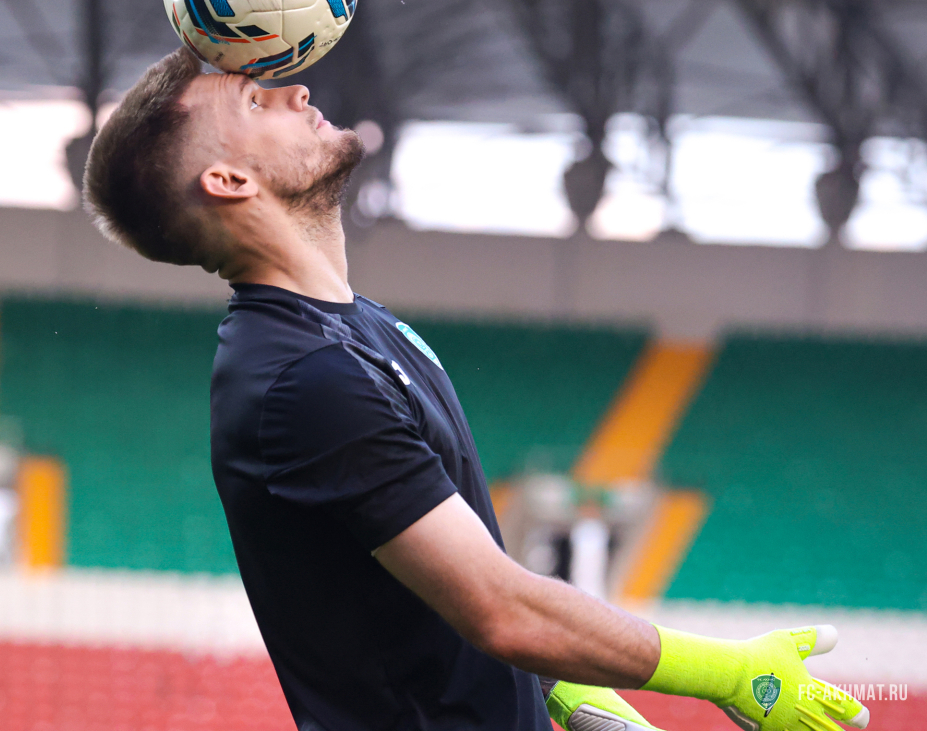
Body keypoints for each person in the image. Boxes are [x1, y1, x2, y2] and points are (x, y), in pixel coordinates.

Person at [82, 46, 870, 731]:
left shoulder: (354, 331)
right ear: (227, 179)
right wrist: (733, 674)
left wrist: (560, 690)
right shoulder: (306, 380)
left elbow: (429, 577)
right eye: (257, 103)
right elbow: (499, 607)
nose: (297, 90)